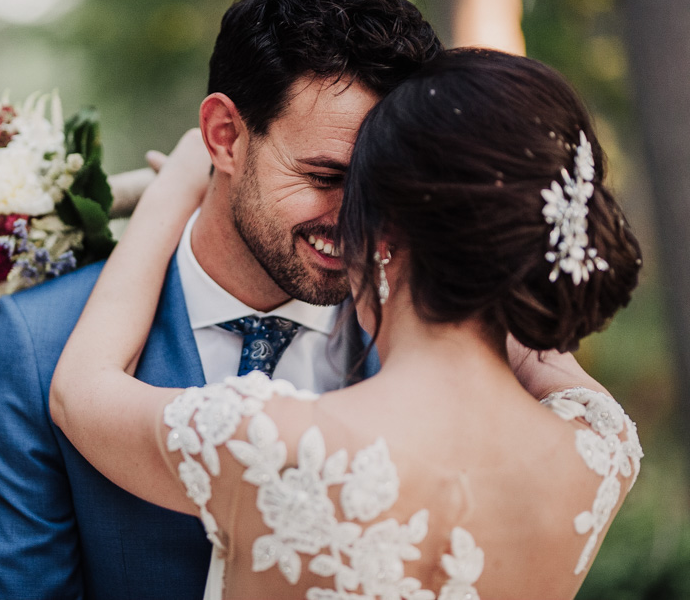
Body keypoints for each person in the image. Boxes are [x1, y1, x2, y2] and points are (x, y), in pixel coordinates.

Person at [0, 0, 603, 598]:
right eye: (326, 177)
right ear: (225, 136)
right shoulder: (39, 341)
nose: (360, 222)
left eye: (385, 188)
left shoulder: (459, 347)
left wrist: (173, 190)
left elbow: (86, 394)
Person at [49, 47, 644, 599]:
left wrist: (177, 190)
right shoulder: (602, 449)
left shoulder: (270, 443)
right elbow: (542, 346)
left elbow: (81, 391)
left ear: (383, 237)